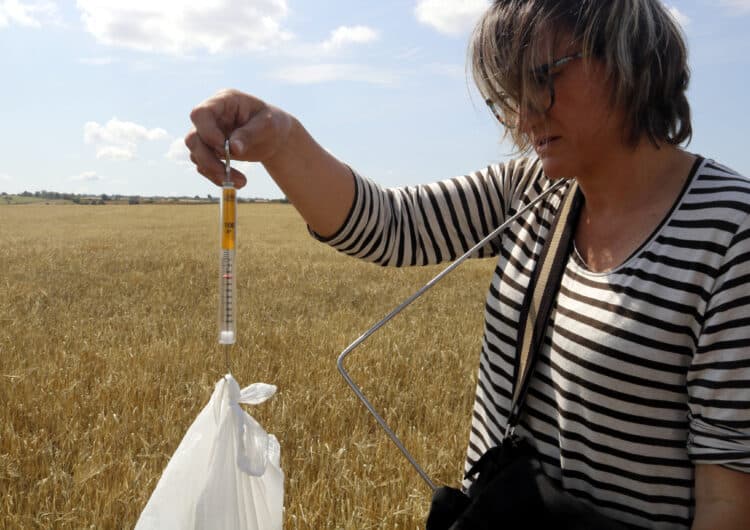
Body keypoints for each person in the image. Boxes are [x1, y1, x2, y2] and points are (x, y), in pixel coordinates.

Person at [185, 0, 750, 528]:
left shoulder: (731, 234)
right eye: (509, 91)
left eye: (543, 79)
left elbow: (729, 499)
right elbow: (388, 225)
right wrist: (280, 137)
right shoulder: (530, 191)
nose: (524, 114)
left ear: (630, 59)